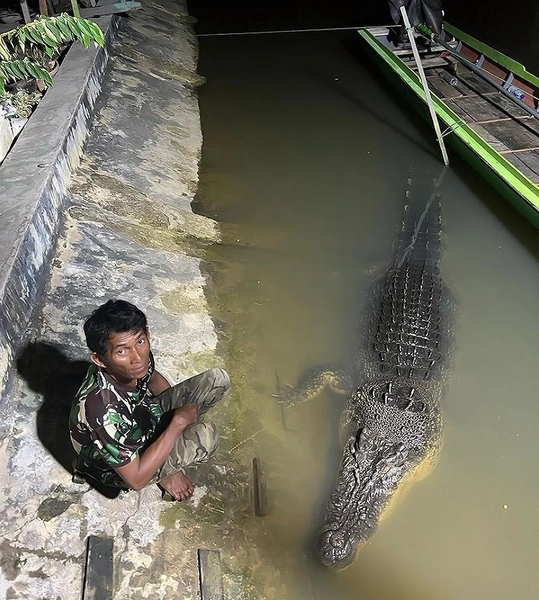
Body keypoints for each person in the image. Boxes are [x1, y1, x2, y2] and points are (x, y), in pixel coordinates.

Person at [69, 299, 230, 501]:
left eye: (140, 341)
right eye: (121, 351)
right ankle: (165, 474)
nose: (137, 357)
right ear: (100, 360)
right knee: (206, 437)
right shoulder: (102, 410)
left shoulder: (137, 358)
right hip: (114, 465)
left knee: (217, 380)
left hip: (140, 415)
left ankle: (162, 454)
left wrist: (173, 415)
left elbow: (153, 379)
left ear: (147, 335)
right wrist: (176, 425)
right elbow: (135, 480)